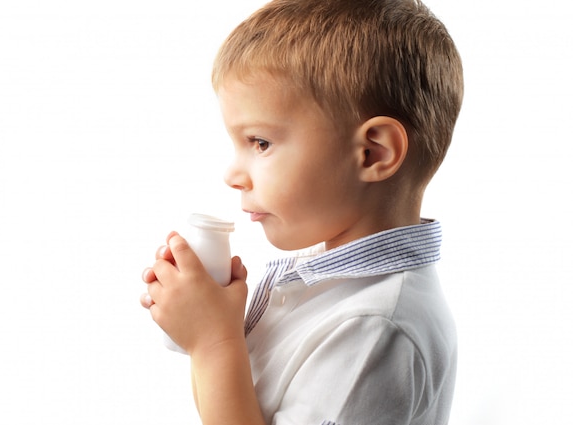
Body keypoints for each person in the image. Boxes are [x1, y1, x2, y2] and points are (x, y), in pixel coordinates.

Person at [140, 0, 463, 423]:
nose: (232, 174)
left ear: (372, 152)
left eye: (260, 143)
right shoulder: (324, 286)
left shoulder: (375, 328)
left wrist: (214, 343)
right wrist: (208, 328)